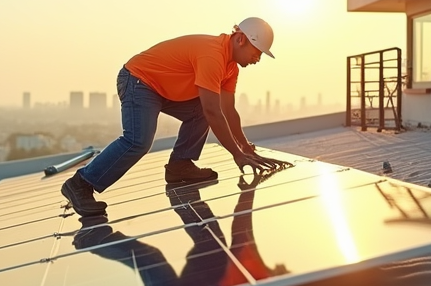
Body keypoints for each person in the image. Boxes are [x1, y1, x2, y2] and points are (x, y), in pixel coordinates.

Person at [61, 17, 291, 216]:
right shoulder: (213, 55)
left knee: (201, 108)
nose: (258, 58)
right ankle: (81, 184)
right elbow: (214, 112)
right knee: (137, 140)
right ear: (241, 39)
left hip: (162, 89)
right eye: (257, 51)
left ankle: (180, 166)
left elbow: (228, 111)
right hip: (138, 80)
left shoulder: (230, 68)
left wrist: (245, 148)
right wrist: (237, 155)